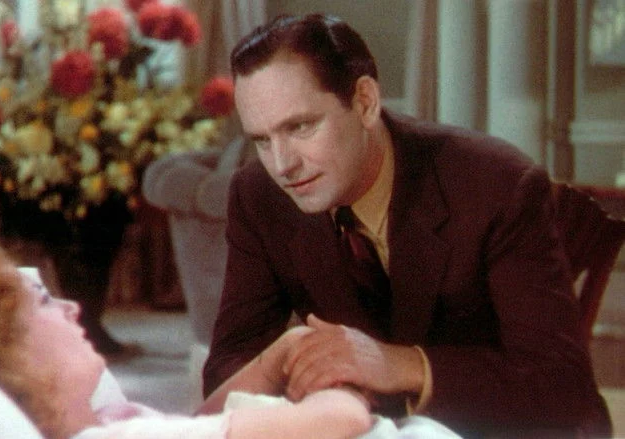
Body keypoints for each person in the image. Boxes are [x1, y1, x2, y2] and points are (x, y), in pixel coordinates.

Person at [201, 13, 612, 439]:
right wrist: (290, 366)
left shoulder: (496, 186)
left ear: (365, 102)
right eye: (262, 140)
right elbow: (226, 368)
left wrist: (399, 365)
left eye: (300, 127)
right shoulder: (258, 195)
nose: (283, 164)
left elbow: (562, 389)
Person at [0, 243, 459, 439]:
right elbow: (337, 423)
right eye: (43, 303)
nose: (71, 307)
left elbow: (202, 425)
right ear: (13, 362)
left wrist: (276, 359)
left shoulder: (110, 422)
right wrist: (344, 385)